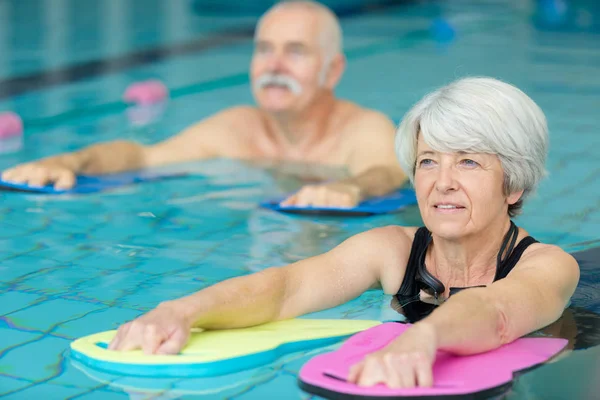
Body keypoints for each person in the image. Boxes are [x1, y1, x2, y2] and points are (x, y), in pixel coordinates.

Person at [107, 76, 580, 388]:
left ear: (514, 183)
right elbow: (284, 288)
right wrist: (180, 311)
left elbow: (494, 312)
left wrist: (420, 338)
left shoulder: (550, 266)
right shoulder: (391, 251)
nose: (442, 183)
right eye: (428, 161)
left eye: (469, 161)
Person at [0, 1, 406, 208]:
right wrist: (69, 163)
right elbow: (142, 156)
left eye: (295, 51)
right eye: (264, 49)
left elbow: (384, 172)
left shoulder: (364, 129)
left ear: (332, 71)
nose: (274, 66)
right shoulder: (236, 129)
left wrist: (349, 187)